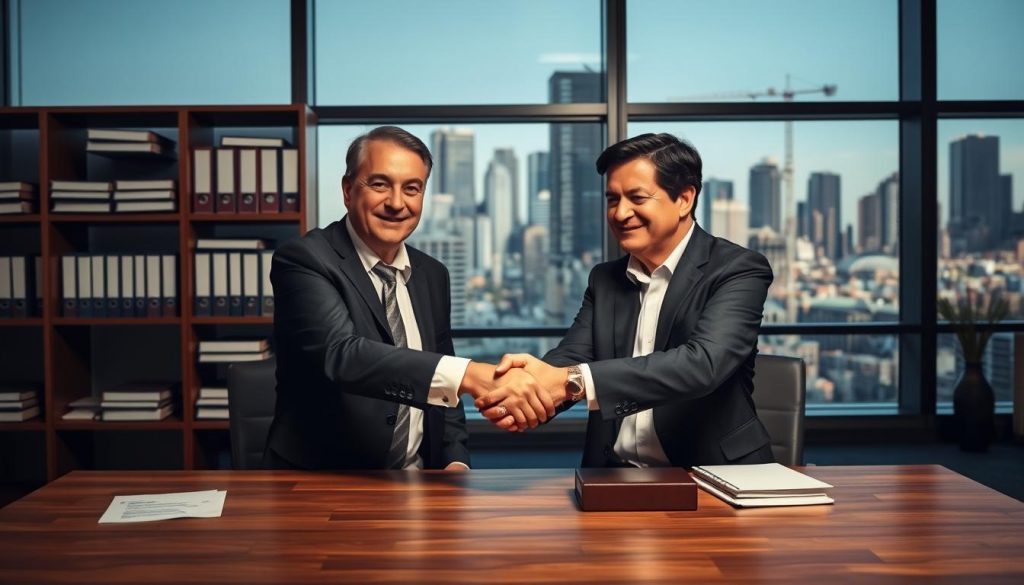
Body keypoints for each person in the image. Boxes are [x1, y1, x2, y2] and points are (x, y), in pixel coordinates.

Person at [478, 133, 776, 468]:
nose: (620, 213)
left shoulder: (738, 268)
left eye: (637, 198)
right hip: (613, 476)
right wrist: (525, 391)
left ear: (684, 199)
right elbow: (572, 356)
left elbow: (703, 364)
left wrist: (572, 382)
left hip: (713, 474)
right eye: (612, 199)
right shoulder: (605, 278)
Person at [265, 126, 550, 471]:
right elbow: (342, 355)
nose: (396, 203)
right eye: (380, 184)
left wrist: (455, 460)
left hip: (420, 480)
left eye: (411, 188)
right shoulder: (304, 259)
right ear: (348, 190)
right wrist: (472, 375)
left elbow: (444, 383)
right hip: (325, 482)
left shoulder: (432, 274)